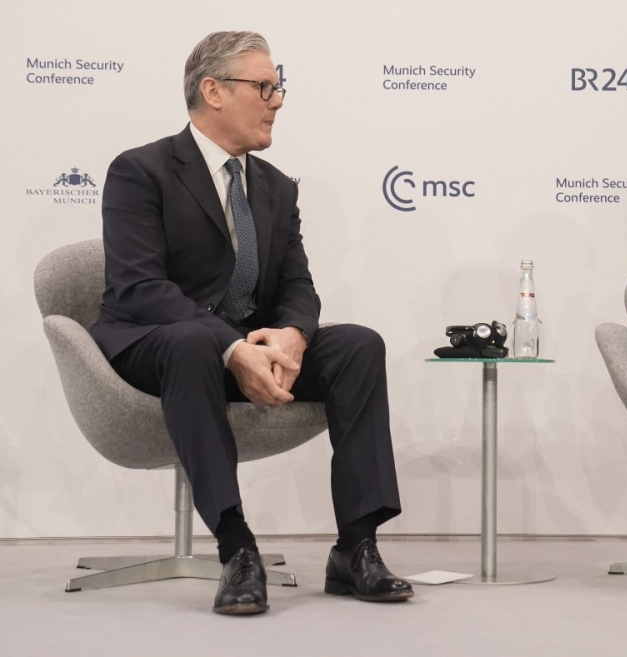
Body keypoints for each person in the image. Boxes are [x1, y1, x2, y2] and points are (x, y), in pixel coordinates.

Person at [91, 31, 413, 615]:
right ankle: (237, 548)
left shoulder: (274, 186)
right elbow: (140, 289)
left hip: (250, 346)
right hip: (157, 349)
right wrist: (233, 348)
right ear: (212, 91)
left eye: (278, 87)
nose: (278, 100)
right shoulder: (140, 170)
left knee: (358, 346)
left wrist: (292, 334)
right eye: (265, 86)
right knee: (192, 341)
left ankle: (357, 546)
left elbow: (297, 286)